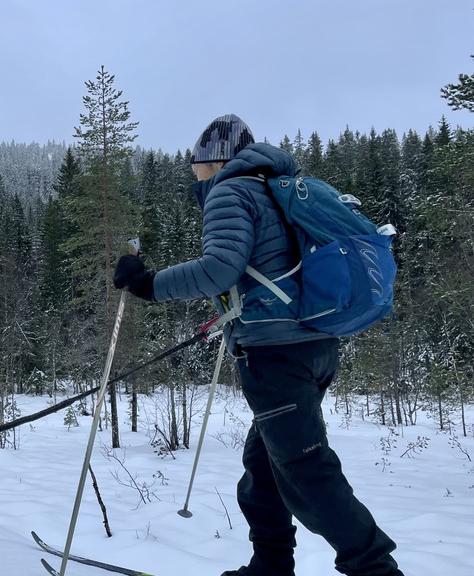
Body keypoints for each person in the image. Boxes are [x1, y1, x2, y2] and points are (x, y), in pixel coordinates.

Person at [113, 114, 405, 576]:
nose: (196, 177)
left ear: (214, 161)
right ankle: (270, 566)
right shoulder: (276, 186)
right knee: (264, 464)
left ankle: (375, 570)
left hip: (276, 354)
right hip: (315, 346)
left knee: (306, 473)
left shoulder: (231, 190)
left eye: (198, 168)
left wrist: (148, 284)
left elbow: (218, 269)